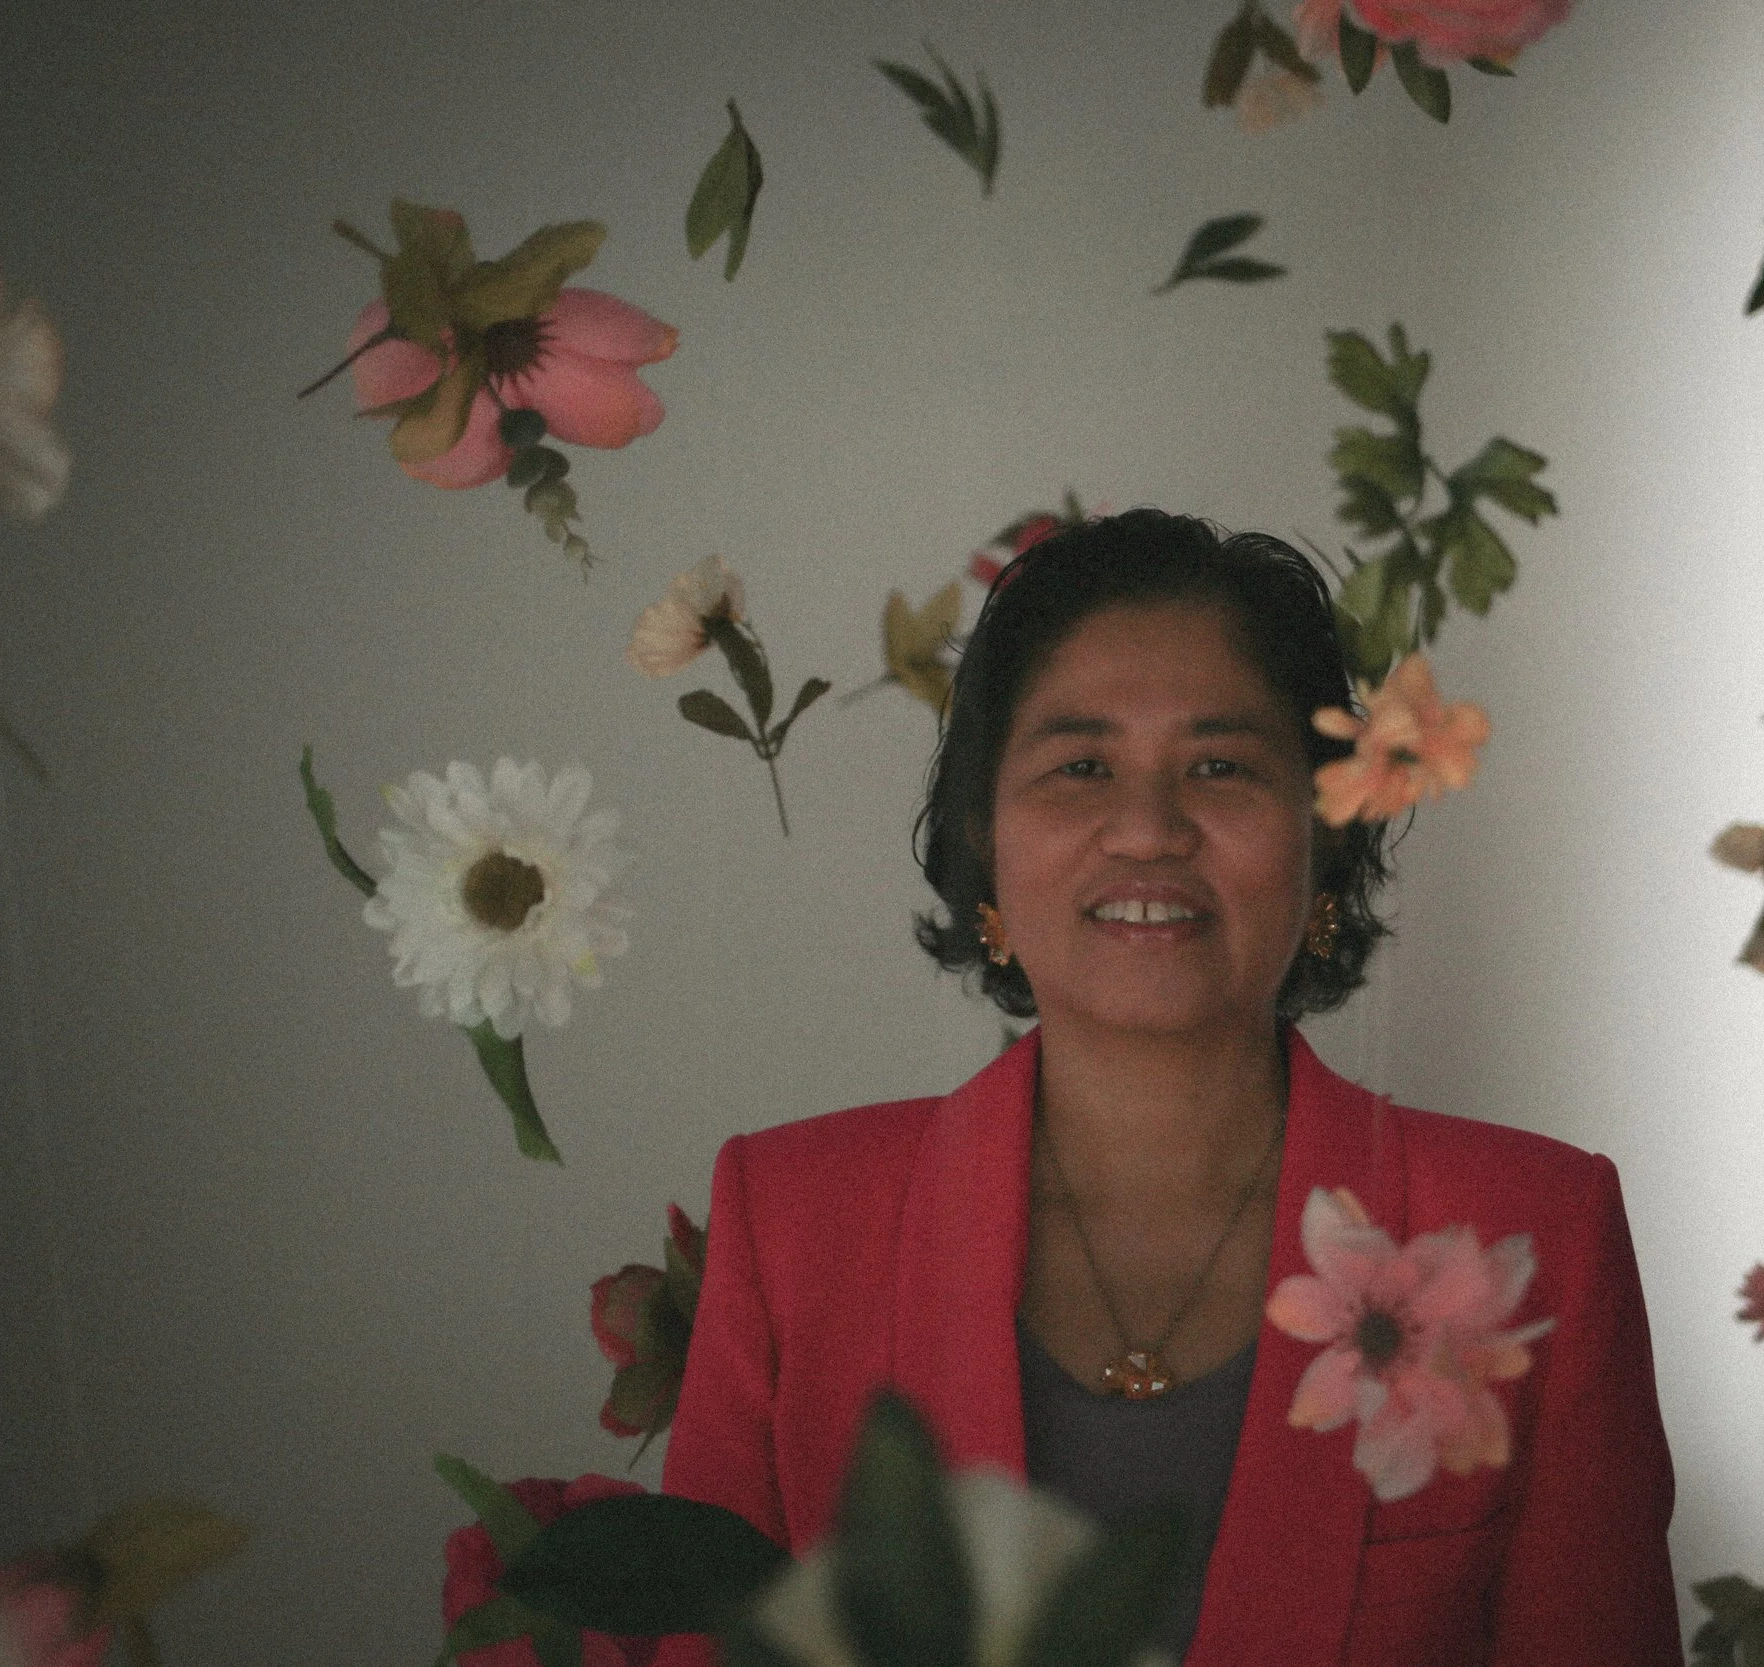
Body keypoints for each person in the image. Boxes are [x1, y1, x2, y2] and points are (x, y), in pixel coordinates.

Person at [661, 509, 1680, 1666]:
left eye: (1221, 766)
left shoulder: (1535, 1231)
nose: (1147, 828)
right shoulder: (792, 1220)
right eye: (1080, 764)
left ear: (1323, 835)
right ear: (983, 841)